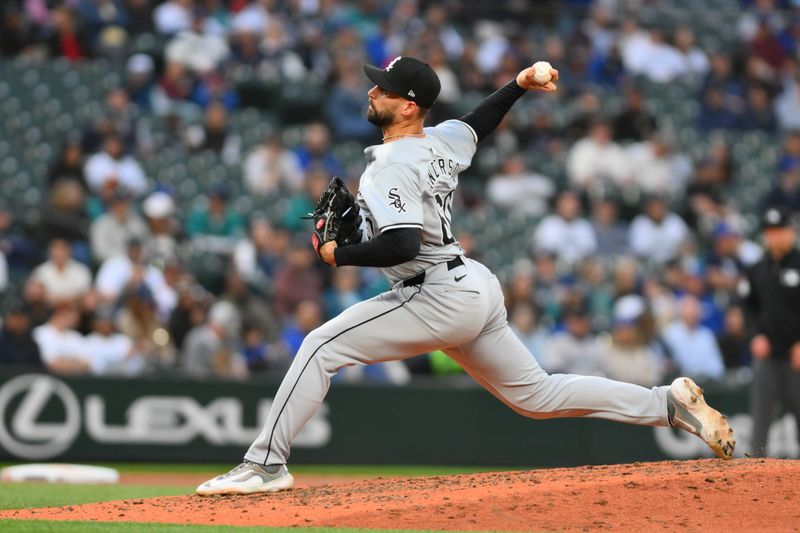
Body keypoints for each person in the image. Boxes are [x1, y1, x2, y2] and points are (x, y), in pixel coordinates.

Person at [197, 56, 734, 495]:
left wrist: (339, 255)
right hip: (473, 284)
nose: (370, 94)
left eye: (381, 89)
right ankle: (664, 403)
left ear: (408, 106)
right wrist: (518, 84)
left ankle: (265, 464)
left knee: (319, 346)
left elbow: (403, 243)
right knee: (538, 395)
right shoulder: (440, 141)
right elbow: (479, 122)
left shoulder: (390, 165)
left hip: (433, 293)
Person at [739, 206, 800, 456]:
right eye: (770, 231)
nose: (775, 236)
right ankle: (755, 484)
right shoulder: (756, 269)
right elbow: (748, 308)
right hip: (767, 358)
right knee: (760, 425)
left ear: (791, 232)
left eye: (780, 230)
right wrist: (755, 336)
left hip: (797, 358)